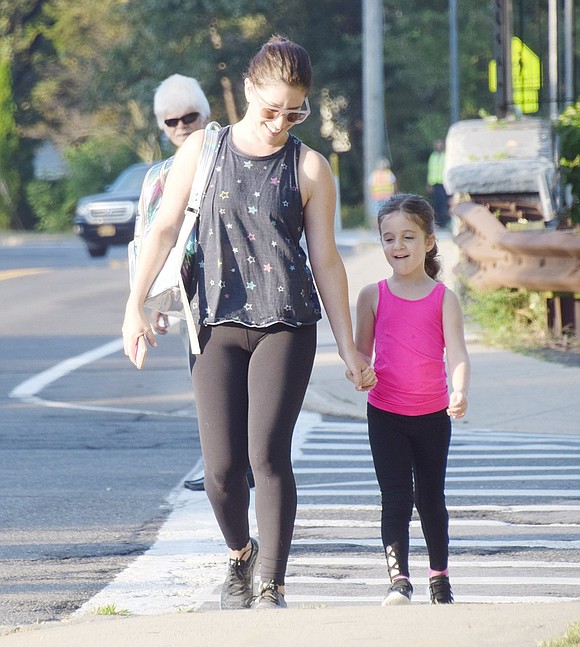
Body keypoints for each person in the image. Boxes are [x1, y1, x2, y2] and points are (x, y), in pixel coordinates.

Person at [123, 36, 376, 611]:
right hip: (213, 323)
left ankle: (272, 583)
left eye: (295, 113)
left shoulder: (309, 167)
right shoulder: (203, 151)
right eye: (271, 111)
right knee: (220, 471)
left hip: (285, 323)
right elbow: (161, 230)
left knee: (267, 454)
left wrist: (350, 351)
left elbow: (327, 262)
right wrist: (134, 305)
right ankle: (240, 552)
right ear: (248, 91)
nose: (281, 123)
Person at [348, 193, 470, 606]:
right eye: (388, 238)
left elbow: (457, 353)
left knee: (431, 498)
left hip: (433, 415)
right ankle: (398, 579)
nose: (397, 247)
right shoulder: (372, 295)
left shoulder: (444, 298)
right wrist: (360, 371)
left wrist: (460, 390)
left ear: (429, 242)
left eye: (408, 237)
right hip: (385, 414)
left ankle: (440, 578)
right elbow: (360, 353)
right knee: (396, 498)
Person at [135, 74, 230, 493]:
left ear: (206, 114)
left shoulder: (228, 157)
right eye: (171, 121)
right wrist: (150, 301)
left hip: (233, 284)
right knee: (206, 384)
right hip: (189, 293)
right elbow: (151, 236)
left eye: (189, 117)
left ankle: (235, 465)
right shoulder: (158, 176)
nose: (181, 127)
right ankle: (220, 468)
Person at [426, 139, 450, 228]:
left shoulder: (446, 156)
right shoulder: (433, 156)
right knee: (436, 204)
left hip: (443, 184)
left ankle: (445, 222)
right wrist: (429, 183)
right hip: (434, 184)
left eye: (440, 145)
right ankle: (439, 222)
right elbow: (431, 171)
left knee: (444, 203)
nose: (439, 146)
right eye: (437, 145)